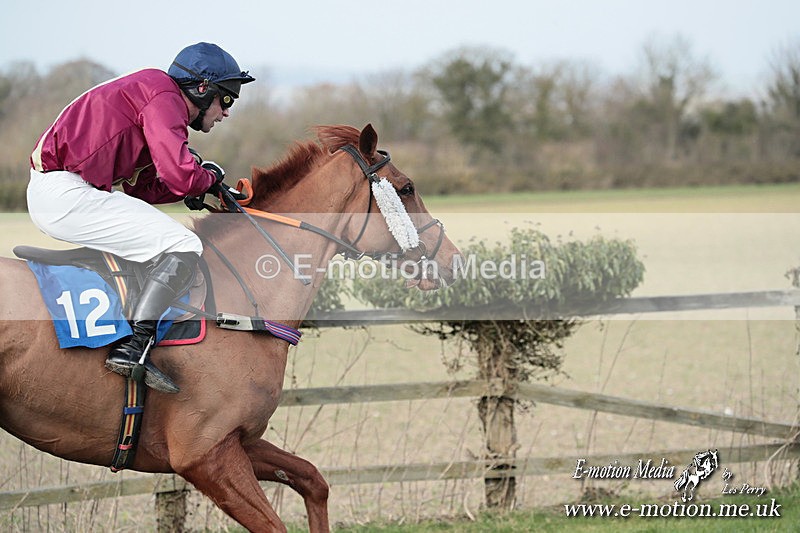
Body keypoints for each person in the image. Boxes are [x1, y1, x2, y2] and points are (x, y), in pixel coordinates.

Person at [27, 42, 254, 393]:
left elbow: (144, 189)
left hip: (65, 191)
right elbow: (180, 175)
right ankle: (134, 348)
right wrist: (206, 180)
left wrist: (196, 188)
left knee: (167, 239)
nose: (226, 112)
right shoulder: (165, 99)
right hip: (66, 194)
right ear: (202, 88)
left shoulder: (155, 94)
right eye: (227, 100)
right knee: (182, 243)